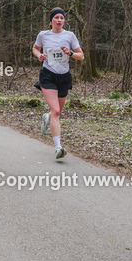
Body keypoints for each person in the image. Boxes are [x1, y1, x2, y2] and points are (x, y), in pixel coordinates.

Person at [32, 8, 83, 159]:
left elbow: (81, 56)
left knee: (56, 112)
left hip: (64, 77)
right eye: (56, 18)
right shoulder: (43, 35)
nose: (59, 20)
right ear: (51, 21)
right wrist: (39, 55)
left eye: (62, 17)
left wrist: (71, 53)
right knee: (56, 111)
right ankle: (58, 148)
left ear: (64, 20)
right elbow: (35, 48)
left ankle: (47, 118)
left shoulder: (70, 35)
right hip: (48, 75)